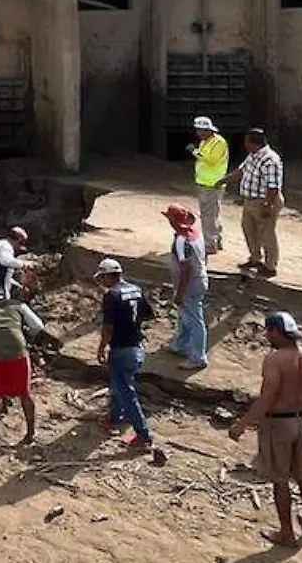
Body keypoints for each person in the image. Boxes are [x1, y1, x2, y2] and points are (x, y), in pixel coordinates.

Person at [229, 311, 302, 547]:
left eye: (269, 330)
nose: (267, 335)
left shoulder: (275, 359)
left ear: (277, 332)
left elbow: (267, 397)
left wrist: (242, 425)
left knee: (280, 480)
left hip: (279, 423)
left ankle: (286, 533)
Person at [93, 258, 154, 449]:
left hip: (121, 349)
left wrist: (102, 347)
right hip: (136, 346)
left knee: (126, 392)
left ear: (109, 276)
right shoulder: (135, 289)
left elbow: (108, 327)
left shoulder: (112, 295)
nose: (102, 282)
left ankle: (143, 435)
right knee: (119, 383)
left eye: (102, 278)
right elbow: (148, 314)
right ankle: (114, 418)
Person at [0, 293, 36, 444]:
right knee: (25, 394)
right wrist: (25, 334)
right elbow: (38, 326)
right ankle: (30, 433)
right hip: (19, 353)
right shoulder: (19, 306)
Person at [228, 128, 284, 277]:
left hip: (264, 201)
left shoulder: (270, 159)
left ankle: (270, 266)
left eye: (247, 141)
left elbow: (273, 186)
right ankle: (255, 258)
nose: (245, 145)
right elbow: (241, 170)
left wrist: (267, 205)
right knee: (249, 229)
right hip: (250, 200)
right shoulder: (253, 156)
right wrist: (224, 179)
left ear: (254, 143)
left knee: (266, 233)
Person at [163, 204, 209, 370]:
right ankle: (180, 345)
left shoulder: (182, 241)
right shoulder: (195, 234)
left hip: (190, 283)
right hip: (199, 279)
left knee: (194, 319)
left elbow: (186, 268)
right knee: (185, 315)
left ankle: (198, 357)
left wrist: (180, 293)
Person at [189, 116, 229, 254]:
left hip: (212, 184)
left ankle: (209, 244)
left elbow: (211, 160)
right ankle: (216, 239)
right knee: (212, 214)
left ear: (208, 130)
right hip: (205, 183)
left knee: (208, 216)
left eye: (201, 130)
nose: (198, 133)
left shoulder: (219, 143)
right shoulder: (205, 142)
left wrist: (194, 152)